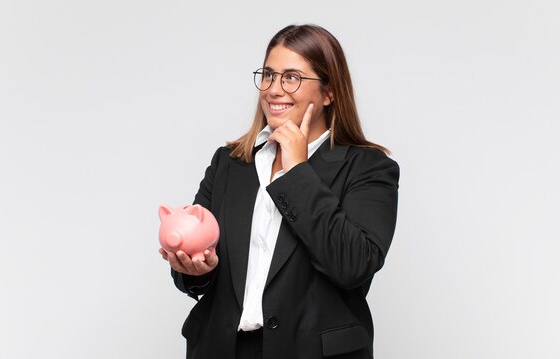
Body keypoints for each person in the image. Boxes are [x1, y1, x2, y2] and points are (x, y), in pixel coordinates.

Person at [159, 24, 399, 359]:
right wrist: (195, 270)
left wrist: (297, 171)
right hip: (223, 348)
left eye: (291, 77)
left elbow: (352, 265)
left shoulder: (368, 167)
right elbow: (202, 257)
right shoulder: (230, 163)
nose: (274, 89)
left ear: (329, 93)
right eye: (269, 75)